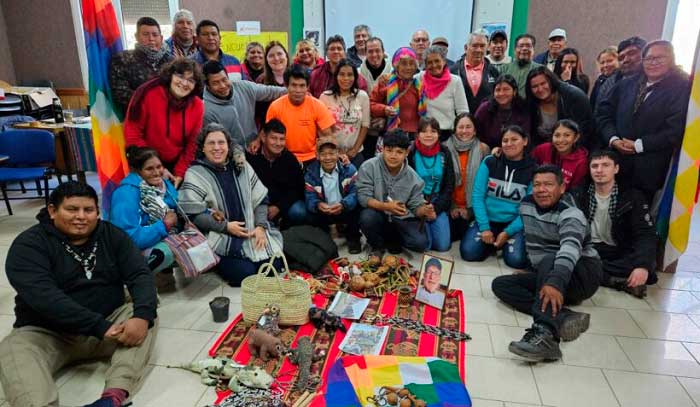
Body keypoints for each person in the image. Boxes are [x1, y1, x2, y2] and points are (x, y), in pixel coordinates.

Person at [0, 182, 158, 407]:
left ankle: (113, 397)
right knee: (13, 350)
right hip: (50, 333)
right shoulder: (29, 245)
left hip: (109, 325)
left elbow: (140, 274)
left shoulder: (112, 235)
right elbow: (45, 298)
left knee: (145, 314)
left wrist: (141, 316)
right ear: (53, 211)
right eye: (72, 209)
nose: (81, 217)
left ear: (97, 212)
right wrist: (98, 326)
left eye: (89, 210)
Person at [492, 165, 601, 362]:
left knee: (552, 257)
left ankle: (546, 335)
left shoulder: (571, 214)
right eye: (537, 185)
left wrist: (554, 282)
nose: (541, 190)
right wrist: (532, 273)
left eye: (548, 184)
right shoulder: (526, 205)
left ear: (562, 187)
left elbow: (570, 248)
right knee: (501, 285)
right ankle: (564, 316)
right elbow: (535, 244)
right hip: (549, 269)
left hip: (581, 274)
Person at [179, 123, 283, 286]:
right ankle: (218, 262)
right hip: (221, 237)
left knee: (273, 268)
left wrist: (261, 226)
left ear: (228, 146)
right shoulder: (195, 174)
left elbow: (261, 199)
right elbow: (193, 214)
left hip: (252, 232)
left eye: (221, 142)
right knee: (245, 274)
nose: (217, 148)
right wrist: (226, 227)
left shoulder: (242, 167)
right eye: (211, 143)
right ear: (203, 148)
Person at [596, 40, 691, 205]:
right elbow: (603, 113)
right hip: (616, 166)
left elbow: (675, 130)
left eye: (660, 58)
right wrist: (613, 139)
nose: (653, 63)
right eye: (649, 58)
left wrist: (639, 145)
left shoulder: (682, 88)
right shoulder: (626, 83)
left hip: (648, 174)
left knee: (637, 222)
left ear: (672, 59)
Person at [574, 149, 657, 298]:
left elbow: (645, 234)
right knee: (567, 259)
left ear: (616, 168)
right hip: (588, 249)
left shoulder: (633, 196)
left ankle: (596, 273)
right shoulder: (578, 194)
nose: (599, 170)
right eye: (595, 166)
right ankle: (615, 282)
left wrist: (642, 266)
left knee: (646, 268)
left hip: (619, 251)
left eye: (605, 165)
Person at [461, 125, 535, 268]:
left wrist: (508, 232)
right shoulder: (490, 162)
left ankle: (501, 242)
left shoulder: (532, 169)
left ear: (525, 141)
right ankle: (493, 243)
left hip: (513, 223)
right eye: (505, 140)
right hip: (488, 220)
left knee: (516, 261)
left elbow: (529, 208)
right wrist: (484, 228)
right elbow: (477, 196)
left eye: (514, 139)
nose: (509, 144)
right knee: (469, 253)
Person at [124, 58, 204, 186]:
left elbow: (192, 145)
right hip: (144, 162)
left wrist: (179, 174)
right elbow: (133, 134)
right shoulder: (147, 93)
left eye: (191, 80)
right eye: (180, 76)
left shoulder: (197, 105)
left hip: (177, 166)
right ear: (170, 75)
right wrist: (158, 169)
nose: (184, 83)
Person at [110, 146, 179, 292]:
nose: (156, 172)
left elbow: (181, 205)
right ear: (137, 171)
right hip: (132, 250)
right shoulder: (126, 194)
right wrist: (164, 226)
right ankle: (133, 283)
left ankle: (162, 276)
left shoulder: (163, 185)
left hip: (155, 238)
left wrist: (209, 212)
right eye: (149, 169)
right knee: (166, 252)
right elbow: (127, 239)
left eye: (159, 166)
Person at [356, 129, 433, 255]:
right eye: (389, 150)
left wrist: (423, 211)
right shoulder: (368, 166)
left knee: (420, 243)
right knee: (367, 217)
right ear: (382, 149)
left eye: (399, 152)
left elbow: (415, 206)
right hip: (377, 214)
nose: (393, 156)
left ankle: (392, 239)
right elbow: (363, 197)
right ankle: (377, 245)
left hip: (400, 219)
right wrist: (386, 206)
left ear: (407, 152)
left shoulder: (414, 178)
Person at [202, 60, 286, 148]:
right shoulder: (206, 110)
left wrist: (295, 91)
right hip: (230, 155)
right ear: (207, 86)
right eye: (215, 83)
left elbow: (271, 92)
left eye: (224, 79)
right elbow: (214, 142)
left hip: (255, 146)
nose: (222, 85)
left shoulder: (243, 87)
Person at [264, 66, 336, 165]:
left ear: (308, 86)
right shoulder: (275, 107)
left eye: (302, 86)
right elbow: (269, 138)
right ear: (286, 85)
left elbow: (327, 137)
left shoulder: (317, 105)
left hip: (313, 158)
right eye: (294, 85)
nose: (298, 90)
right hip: (282, 156)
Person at [304, 136, 362, 254]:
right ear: (317, 156)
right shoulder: (310, 173)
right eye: (323, 154)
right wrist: (318, 205)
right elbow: (309, 197)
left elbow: (355, 192)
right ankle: (325, 234)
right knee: (308, 213)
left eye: (331, 153)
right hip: (324, 211)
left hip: (345, 208)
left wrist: (343, 204)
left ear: (338, 154)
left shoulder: (349, 169)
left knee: (358, 207)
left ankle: (353, 237)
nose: (328, 158)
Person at [246, 119, 307, 227]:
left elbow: (298, 188)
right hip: (257, 204)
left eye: (282, 139)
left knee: (299, 211)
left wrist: (279, 207)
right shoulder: (251, 157)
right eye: (274, 138)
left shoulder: (289, 159)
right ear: (263, 138)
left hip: (282, 205)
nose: (278, 143)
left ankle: (285, 228)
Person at [406, 117, 455, 252]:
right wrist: (419, 206)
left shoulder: (445, 152)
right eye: (424, 131)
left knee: (442, 246)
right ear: (418, 134)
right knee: (425, 245)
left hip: (436, 200)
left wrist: (436, 208)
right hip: (416, 202)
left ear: (438, 134)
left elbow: (450, 184)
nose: (428, 135)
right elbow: (405, 183)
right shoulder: (411, 152)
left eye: (433, 131)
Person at [109, 17, 173, 117]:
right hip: (137, 118)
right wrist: (153, 103)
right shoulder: (123, 59)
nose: (151, 39)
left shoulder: (171, 61)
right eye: (145, 34)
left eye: (155, 35)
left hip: (169, 117)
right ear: (136, 37)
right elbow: (121, 93)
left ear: (161, 38)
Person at [444, 113, 490, 240]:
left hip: (473, 209)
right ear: (455, 130)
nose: (464, 131)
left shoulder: (483, 149)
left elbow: (487, 185)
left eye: (468, 127)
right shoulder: (444, 148)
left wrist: (470, 211)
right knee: (446, 240)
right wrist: (452, 207)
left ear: (475, 131)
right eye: (460, 127)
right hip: (449, 208)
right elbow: (441, 183)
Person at [369, 47, 426, 149]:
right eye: (404, 64)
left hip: (413, 139)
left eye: (411, 63)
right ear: (396, 66)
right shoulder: (385, 82)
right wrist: (384, 109)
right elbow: (370, 104)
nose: (408, 67)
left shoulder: (419, 86)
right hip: (390, 136)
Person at [526, 66, 594, 148]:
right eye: (535, 86)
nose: (540, 89)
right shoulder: (532, 103)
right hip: (544, 152)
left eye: (543, 83)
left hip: (574, 150)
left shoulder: (574, 96)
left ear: (551, 81)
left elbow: (585, 131)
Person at [319, 59, 370, 168]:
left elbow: (365, 125)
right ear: (336, 76)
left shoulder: (362, 96)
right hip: (331, 155)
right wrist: (336, 151)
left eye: (350, 75)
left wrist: (355, 150)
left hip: (356, 154)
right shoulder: (325, 97)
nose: (346, 78)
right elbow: (320, 127)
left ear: (355, 77)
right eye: (341, 74)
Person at [418, 45, 469, 141]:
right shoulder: (419, 78)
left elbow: (463, 111)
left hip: (448, 135)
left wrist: (462, 133)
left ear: (444, 61)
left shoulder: (455, 81)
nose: (434, 65)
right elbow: (403, 79)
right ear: (425, 64)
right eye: (429, 62)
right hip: (425, 134)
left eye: (437, 61)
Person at [474, 74, 531, 148]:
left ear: (514, 92)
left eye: (506, 89)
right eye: (498, 90)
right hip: (488, 151)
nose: (501, 93)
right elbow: (474, 130)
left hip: (516, 150)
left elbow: (525, 137)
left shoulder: (522, 109)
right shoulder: (485, 108)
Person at [531, 119, 589, 190]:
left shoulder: (581, 162)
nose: (561, 140)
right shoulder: (542, 149)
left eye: (567, 135)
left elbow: (575, 190)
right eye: (557, 135)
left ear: (576, 137)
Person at [451, 30, 500, 114]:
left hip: (485, 123)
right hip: (460, 124)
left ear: (487, 48)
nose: (479, 50)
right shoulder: (453, 71)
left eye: (482, 46)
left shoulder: (494, 72)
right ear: (466, 48)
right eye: (475, 46)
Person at [594, 36, 646, 114]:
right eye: (621, 57)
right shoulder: (608, 82)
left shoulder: (654, 81)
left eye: (632, 53)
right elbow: (600, 112)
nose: (626, 60)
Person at [255, 41, 292, 126]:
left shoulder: (297, 77)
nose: (276, 58)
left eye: (279, 54)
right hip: (270, 131)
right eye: (271, 56)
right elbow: (257, 113)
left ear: (286, 56)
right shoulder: (261, 80)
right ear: (266, 60)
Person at [590, 46, 619, 110]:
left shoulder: (621, 80)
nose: (605, 65)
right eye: (602, 63)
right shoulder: (599, 81)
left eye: (610, 61)